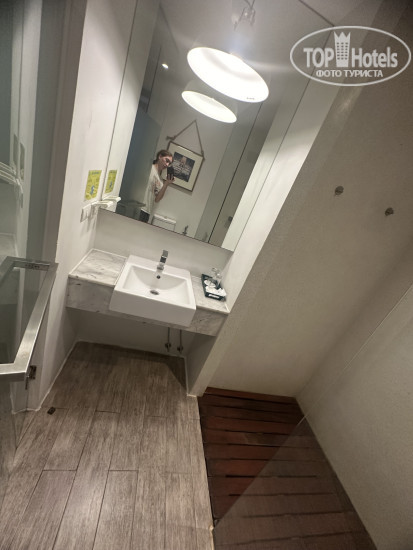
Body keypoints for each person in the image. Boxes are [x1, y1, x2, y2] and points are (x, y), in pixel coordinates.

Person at [139, 149, 175, 223]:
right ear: (160, 156)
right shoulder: (148, 168)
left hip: (147, 211)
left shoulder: (161, 180)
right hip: (138, 207)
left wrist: (166, 183)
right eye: (167, 160)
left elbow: (157, 199)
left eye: (169, 163)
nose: (167, 165)